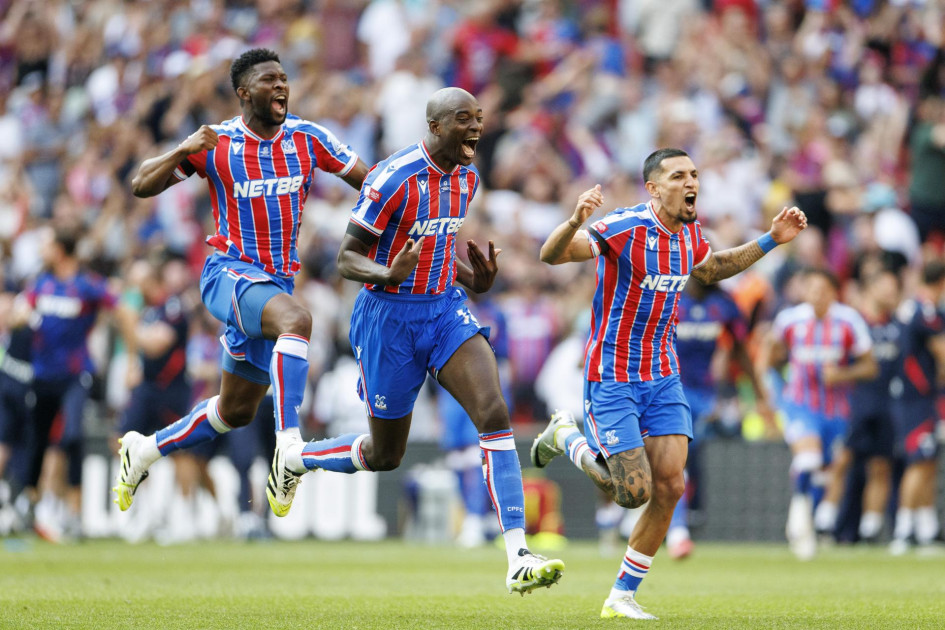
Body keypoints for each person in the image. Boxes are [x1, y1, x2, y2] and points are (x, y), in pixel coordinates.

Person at [274, 87, 565, 594]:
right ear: (434, 127)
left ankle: (517, 553)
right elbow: (347, 258)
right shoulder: (392, 178)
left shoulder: (468, 179)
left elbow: (437, 245)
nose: (475, 127)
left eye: (478, 118)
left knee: (494, 412)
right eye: (463, 119)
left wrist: (474, 279)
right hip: (386, 318)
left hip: (443, 309)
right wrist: (388, 271)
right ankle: (297, 459)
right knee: (387, 454)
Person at [531, 148, 808, 619]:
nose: (690, 182)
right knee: (631, 492)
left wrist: (771, 240)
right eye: (678, 175)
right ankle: (566, 436)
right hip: (613, 375)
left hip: (662, 375)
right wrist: (575, 220)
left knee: (671, 486)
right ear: (654, 189)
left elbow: (714, 267)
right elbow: (551, 255)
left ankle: (621, 596)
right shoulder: (624, 227)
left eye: (695, 174)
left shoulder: (690, 234)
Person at [112, 48, 369, 516]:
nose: (282, 87)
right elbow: (140, 185)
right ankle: (290, 448)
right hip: (228, 274)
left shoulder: (309, 139)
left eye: (285, 79)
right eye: (270, 80)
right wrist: (181, 149)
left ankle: (144, 450)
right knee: (297, 319)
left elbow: (372, 186)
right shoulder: (217, 145)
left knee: (235, 412)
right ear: (244, 92)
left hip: (272, 288)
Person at [13, 225, 127, 540]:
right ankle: (30, 505)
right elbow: (18, 313)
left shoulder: (87, 286)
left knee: (74, 435)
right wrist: (19, 316)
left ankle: (75, 514)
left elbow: (121, 308)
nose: (41, 251)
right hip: (42, 375)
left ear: (60, 250)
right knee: (36, 440)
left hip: (76, 374)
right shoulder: (41, 284)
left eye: (46, 245)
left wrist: (130, 357)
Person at [758, 268, 876, 560]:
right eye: (811, 290)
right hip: (799, 404)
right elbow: (768, 357)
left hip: (837, 409)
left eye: (823, 290)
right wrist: (773, 395)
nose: (817, 296)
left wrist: (843, 373)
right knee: (807, 458)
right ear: (804, 292)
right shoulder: (789, 320)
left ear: (834, 293)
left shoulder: (849, 321)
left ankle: (808, 523)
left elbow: (870, 366)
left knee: (826, 471)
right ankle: (798, 518)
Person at [667, 279, 777, 558]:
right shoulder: (669, 295)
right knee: (674, 458)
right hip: (666, 388)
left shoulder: (725, 305)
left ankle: (681, 521)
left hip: (705, 397)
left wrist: (760, 393)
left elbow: (740, 349)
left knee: (685, 458)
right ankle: (677, 529)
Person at [835, 267, 901, 543]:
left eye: (894, 288)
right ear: (870, 288)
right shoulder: (852, 323)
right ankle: (827, 522)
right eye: (886, 287)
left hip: (887, 403)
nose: (891, 294)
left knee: (880, 466)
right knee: (842, 461)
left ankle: (870, 530)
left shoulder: (897, 325)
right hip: (854, 402)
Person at [888, 260, 945, 554]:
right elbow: (942, 354)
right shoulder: (926, 311)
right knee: (919, 463)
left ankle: (925, 529)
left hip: (911, 396)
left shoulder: (909, 308)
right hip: (918, 398)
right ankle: (903, 530)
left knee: (928, 461)